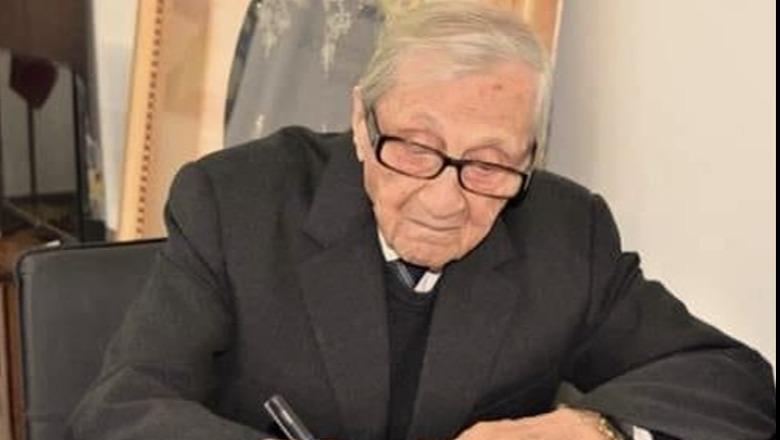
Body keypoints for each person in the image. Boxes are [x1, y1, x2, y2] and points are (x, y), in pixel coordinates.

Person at [70, 2, 776, 440]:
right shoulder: (238, 202)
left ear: (530, 157)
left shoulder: (567, 233)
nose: (444, 202)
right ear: (360, 122)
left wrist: (592, 427)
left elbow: (731, 380)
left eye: (490, 164)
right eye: (413, 149)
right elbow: (121, 408)